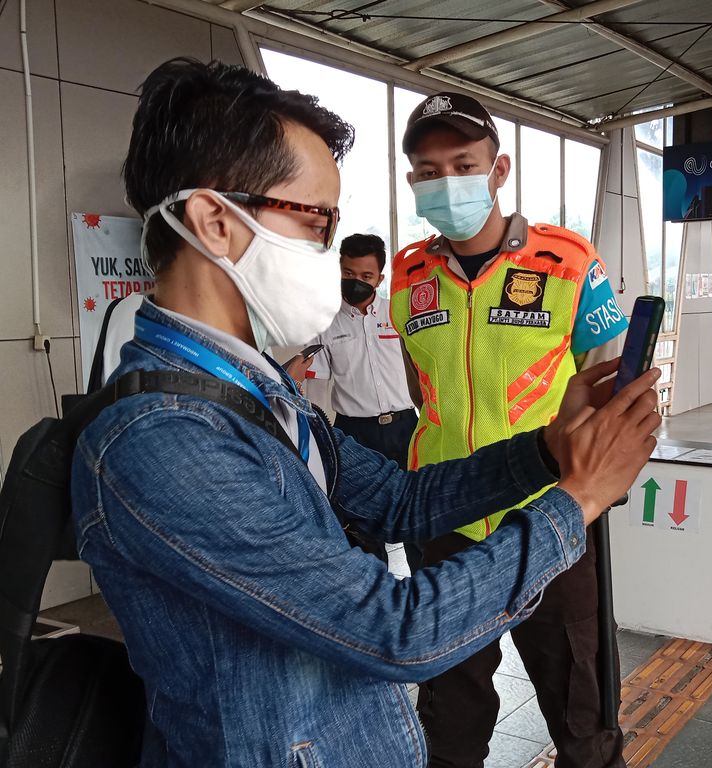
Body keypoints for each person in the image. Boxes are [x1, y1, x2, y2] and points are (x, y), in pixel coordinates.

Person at [69, 59, 661, 767]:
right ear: (213, 223)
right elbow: (393, 630)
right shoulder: (166, 436)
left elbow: (404, 499)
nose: (335, 253)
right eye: (316, 219)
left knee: (580, 704)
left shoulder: (257, 393)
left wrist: (547, 450)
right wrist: (579, 499)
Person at [394, 92, 630, 768]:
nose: (446, 183)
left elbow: (604, 380)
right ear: (413, 181)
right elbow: (422, 388)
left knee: (578, 698)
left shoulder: (568, 263)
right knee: (451, 706)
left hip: (550, 513)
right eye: (428, 170)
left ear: (499, 171)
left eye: (463, 164)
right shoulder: (409, 276)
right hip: (444, 517)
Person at [288, 232, 419, 564]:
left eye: (366, 276)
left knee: (417, 513)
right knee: (363, 522)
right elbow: (313, 381)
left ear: (380, 278)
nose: (356, 282)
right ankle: (373, 592)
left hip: (407, 427)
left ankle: (423, 585)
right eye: (348, 274)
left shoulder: (398, 314)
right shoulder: (326, 324)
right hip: (355, 432)